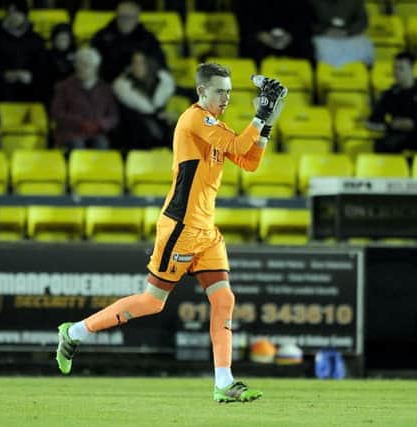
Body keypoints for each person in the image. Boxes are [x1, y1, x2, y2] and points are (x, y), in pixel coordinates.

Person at [55, 63, 287, 403]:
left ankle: (224, 382)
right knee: (152, 302)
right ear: (201, 92)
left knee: (224, 299)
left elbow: (249, 161)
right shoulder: (194, 120)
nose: (226, 98)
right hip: (180, 227)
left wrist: (266, 123)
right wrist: (261, 114)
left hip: (206, 230)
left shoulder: (217, 126)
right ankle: (74, 332)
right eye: (220, 91)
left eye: (229, 92)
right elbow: (238, 147)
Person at [51, 47, 119, 151]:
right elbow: (57, 113)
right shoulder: (64, 86)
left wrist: (101, 124)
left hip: (97, 132)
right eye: (79, 64)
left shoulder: (105, 89)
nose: (81, 68)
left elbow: (113, 116)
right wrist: (80, 122)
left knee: (102, 144)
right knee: (77, 144)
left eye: (86, 65)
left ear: (95, 67)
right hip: (71, 132)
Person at [0, 0, 47, 102]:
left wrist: (30, 75)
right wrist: (3, 74)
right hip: (1, 85)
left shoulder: (35, 39)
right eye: (10, 12)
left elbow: (42, 65)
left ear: (24, 15)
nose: (13, 16)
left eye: (17, 12)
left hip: (29, 86)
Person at [112, 51, 176, 151]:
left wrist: (170, 115)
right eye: (135, 63)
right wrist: (157, 115)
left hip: (161, 125)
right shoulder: (123, 86)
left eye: (142, 62)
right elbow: (127, 115)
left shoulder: (162, 82)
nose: (138, 66)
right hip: (134, 130)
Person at [91, 1, 167, 83]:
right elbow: (92, 64)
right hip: (107, 85)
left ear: (137, 18)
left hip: (140, 86)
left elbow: (160, 66)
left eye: (129, 17)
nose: (125, 21)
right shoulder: (101, 37)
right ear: (116, 16)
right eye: (122, 17)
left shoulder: (148, 38)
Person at [234, 0, 314, 65]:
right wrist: (262, 35)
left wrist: (290, 35)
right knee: (251, 47)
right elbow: (244, 19)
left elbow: (304, 19)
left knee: (305, 47)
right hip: (259, 38)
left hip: (291, 38)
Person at [308, 0, 374, 67]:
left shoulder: (355, 1)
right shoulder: (313, 2)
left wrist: (348, 32)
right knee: (319, 48)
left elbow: (362, 21)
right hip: (323, 37)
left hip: (350, 36)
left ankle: (358, 73)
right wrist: (324, 31)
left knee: (364, 45)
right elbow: (308, 21)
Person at [46, 23, 76, 91]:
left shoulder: (77, 56)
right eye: (58, 39)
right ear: (53, 40)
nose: (61, 42)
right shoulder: (46, 56)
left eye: (64, 39)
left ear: (70, 40)